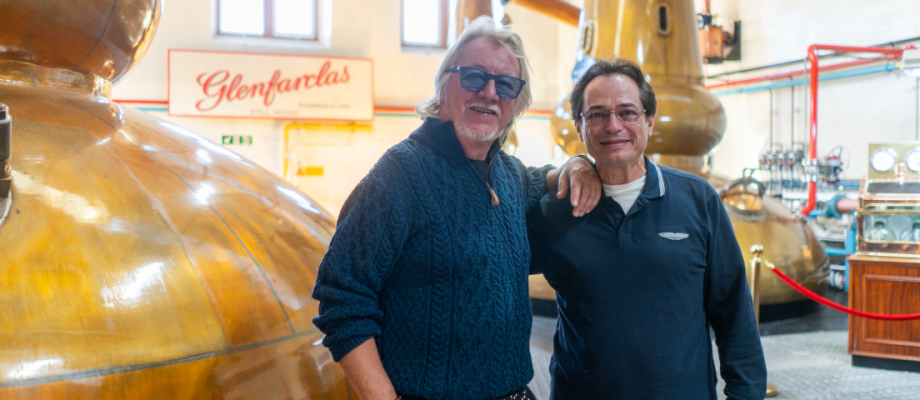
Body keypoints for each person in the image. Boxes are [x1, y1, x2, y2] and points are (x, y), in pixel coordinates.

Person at [312, 17, 600, 400]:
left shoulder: (509, 174)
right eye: (474, 76)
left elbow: (542, 177)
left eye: (506, 84)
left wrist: (578, 163)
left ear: (515, 105)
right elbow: (341, 297)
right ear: (443, 87)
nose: (490, 92)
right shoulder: (398, 177)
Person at [528, 58, 767, 400]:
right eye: (596, 115)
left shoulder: (698, 200)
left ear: (649, 121)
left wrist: (745, 394)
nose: (613, 125)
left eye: (627, 112)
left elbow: (733, 312)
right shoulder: (555, 209)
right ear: (579, 128)